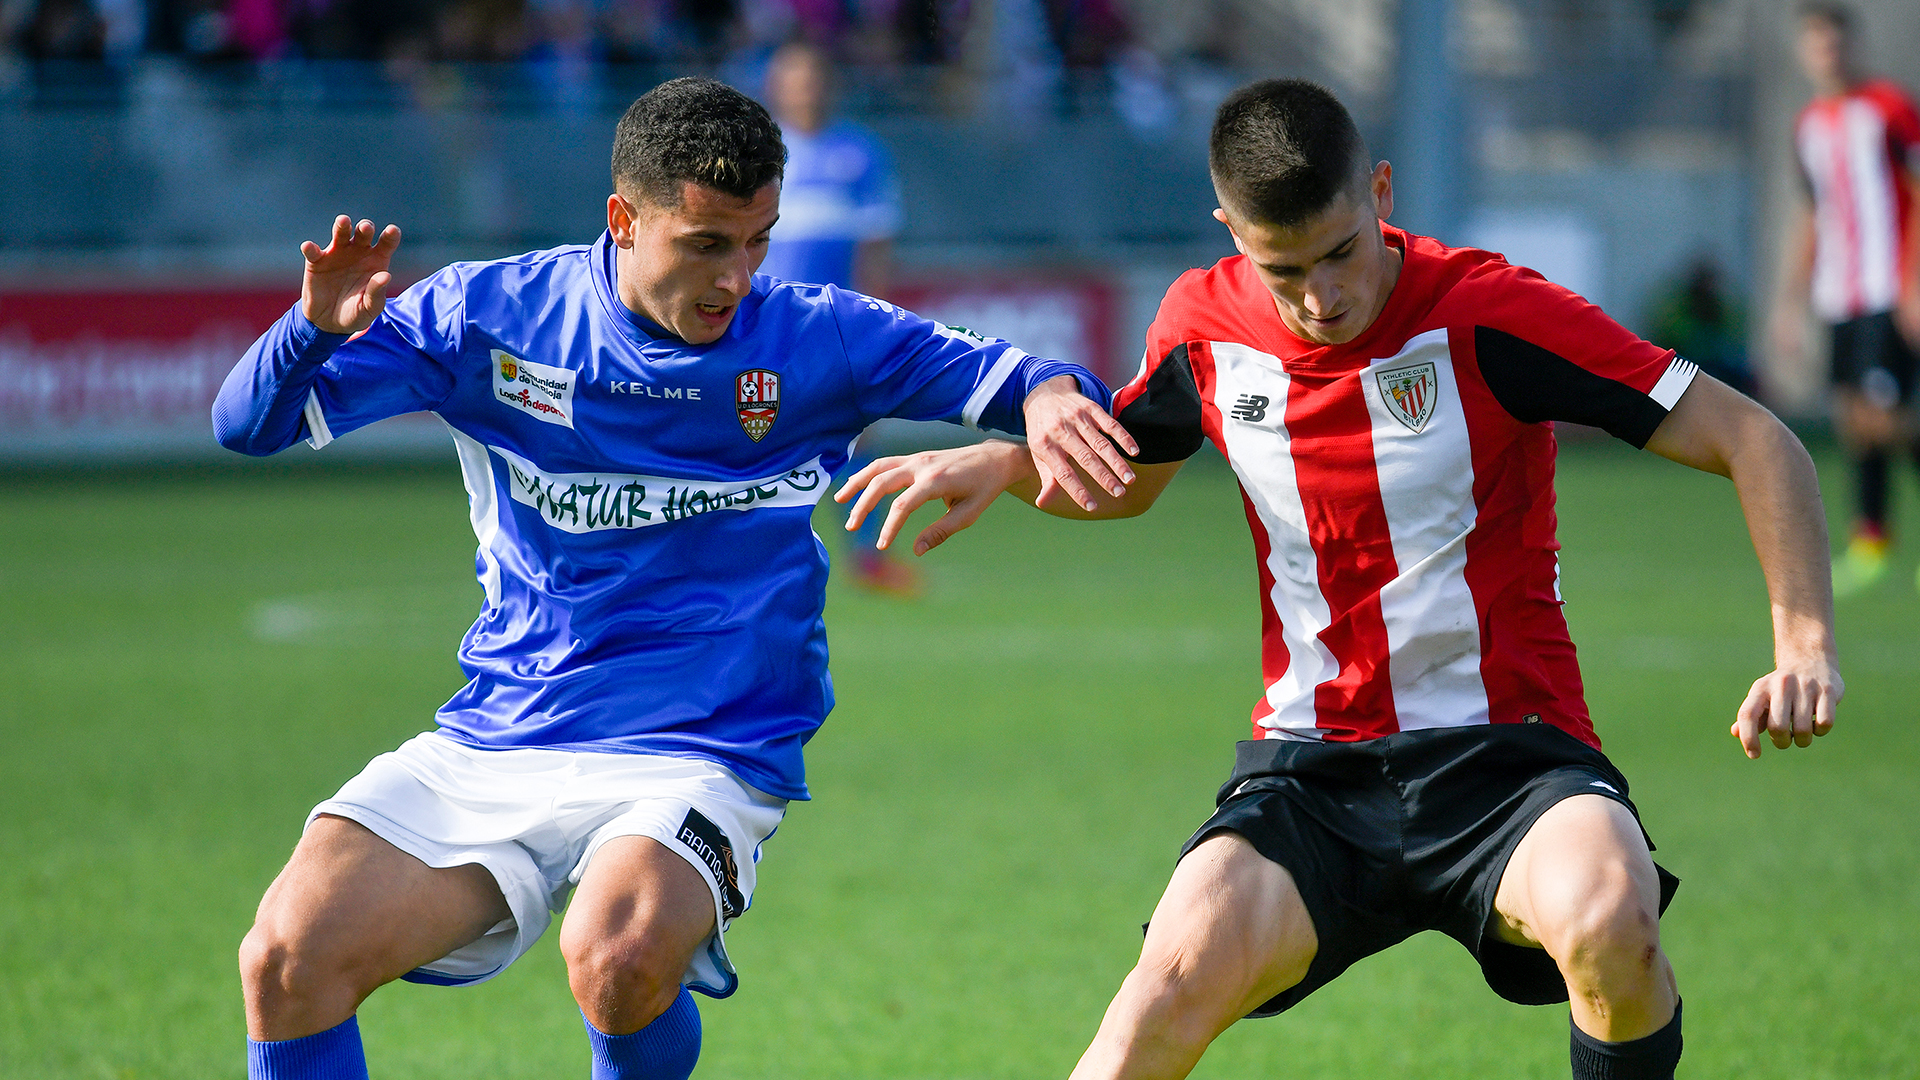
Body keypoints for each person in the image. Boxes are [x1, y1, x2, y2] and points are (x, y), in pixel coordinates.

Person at [840, 78, 1843, 1080]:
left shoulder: (1490, 312)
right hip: (1308, 775)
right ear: (1230, 231)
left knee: (1611, 916)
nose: (1323, 296)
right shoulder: (1201, 327)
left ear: (1382, 193)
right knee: (1155, 999)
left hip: (1509, 762)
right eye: (1285, 270)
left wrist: (1802, 647)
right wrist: (1007, 466)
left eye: (1341, 252)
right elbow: (1125, 480)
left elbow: (1754, 438)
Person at [212, 76, 1129, 1080]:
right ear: (623, 220)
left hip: (704, 742)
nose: (738, 277)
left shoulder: (817, 336)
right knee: (288, 959)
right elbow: (246, 427)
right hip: (505, 731)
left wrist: (1041, 406)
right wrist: (312, 330)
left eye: (757, 241)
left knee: (617, 952)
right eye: (706, 244)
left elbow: (1041, 378)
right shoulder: (490, 317)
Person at [759, 39, 923, 595]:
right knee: (753, 434)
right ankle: (748, 559)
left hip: (834, 327)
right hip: (763, 324)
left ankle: (869, 557)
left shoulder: (860, 153)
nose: (804, 87)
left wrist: (874, 327)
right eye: (792, 77)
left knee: (854, 438)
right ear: (776, 86)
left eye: (812, 76)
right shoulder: (758, 152)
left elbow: (875, 247)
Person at [1769, 1, 1920, 597]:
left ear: (1849, 46)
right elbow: (1812, 214)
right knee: (1855, 420)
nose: (1827, 53)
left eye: (1835, 42)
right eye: (1817, 43)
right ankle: (1873, 540)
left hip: (1889, 288)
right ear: (1805, 51)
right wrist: (1789, 301)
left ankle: (1878, 535)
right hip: (1839, 293)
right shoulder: (1808, 125)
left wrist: (1913, 282)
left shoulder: (1888, 108)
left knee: (1887, 417)